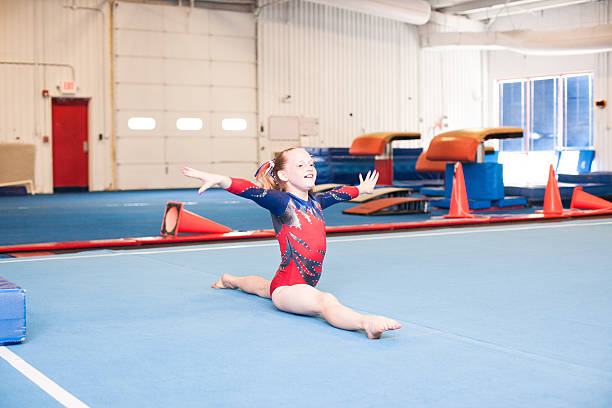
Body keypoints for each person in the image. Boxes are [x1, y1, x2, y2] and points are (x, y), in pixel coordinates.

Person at [182, 147, 401, 339]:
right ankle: (365, 323)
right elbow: (251, 191)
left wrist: (361, 190)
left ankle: (230, 280)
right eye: (301, 164)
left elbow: (339, 194)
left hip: (287, 280)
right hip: (289, 288)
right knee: (325, 301)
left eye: (311, 163)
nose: (309, 167)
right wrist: (222, 180)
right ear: (283, 175)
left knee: (262, 287)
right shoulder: (281, 202)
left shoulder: (316, 201)